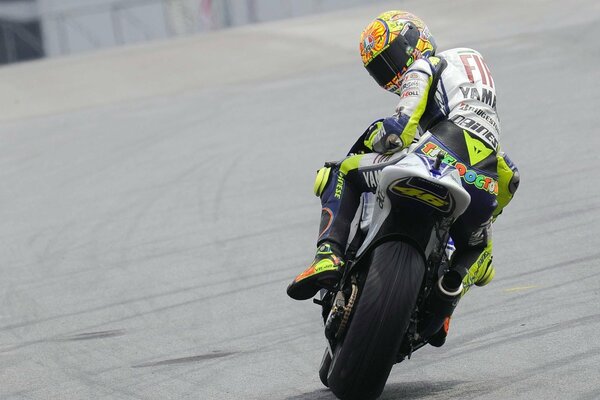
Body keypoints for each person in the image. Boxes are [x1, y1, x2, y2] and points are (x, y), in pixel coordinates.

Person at [286, 10, 519, 345]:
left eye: (394, 56)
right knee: (478, 248)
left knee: (342, 172)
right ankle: (447, 294)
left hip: (437, 155)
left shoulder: (426, 65)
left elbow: (403, 123)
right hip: (482, 178)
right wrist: (488, 215)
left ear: (415, 41)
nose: (391, 72)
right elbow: (510, 181)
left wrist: (386, 135)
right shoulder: (470, 75)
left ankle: (329, 255)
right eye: (380, 68)